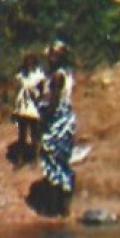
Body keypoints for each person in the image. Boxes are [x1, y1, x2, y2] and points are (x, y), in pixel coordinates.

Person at [38, 42, 77, 216]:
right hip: (66, 118)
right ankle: (62, 207)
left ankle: (56, 208)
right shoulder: (67, 73)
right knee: (61, 159)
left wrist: (44, 119)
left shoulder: (57, 77)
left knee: (53, 158)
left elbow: (54, 102)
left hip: (57, 119)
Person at [9, 52, 47, 167]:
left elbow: (42, 91)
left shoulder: (39, 75)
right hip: (23, 107)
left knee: (35, 134)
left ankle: (34, 159)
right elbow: (16, 88)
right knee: (22, 135)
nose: (29, 64)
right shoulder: (21, 75)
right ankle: (20, 160)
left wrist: (38, 99)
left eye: (31, 61)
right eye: (27, 61)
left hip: (34, 106)